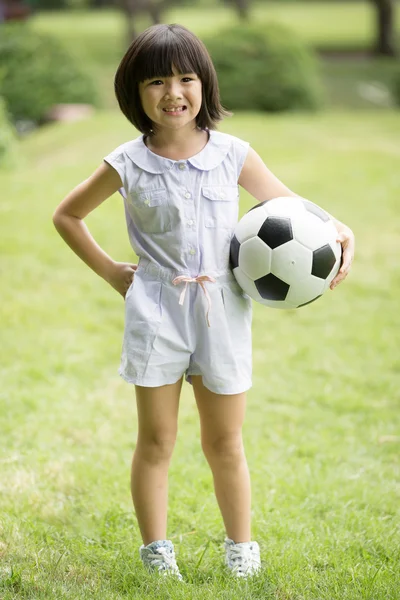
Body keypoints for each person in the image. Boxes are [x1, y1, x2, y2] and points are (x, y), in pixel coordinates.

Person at [52, 23, 355, 582]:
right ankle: (156, 551)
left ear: (204, 84)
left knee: (224, 441)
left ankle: (241, 548)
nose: (174, 93)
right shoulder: (127, 161)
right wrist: (111, 271)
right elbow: (67, 215)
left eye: (186, 78)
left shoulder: (232, 154)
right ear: (134, 93)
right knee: (157, 440)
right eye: (157, 81)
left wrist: (337, 227)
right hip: (156, 312)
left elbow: (287, 201)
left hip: (223, 313)